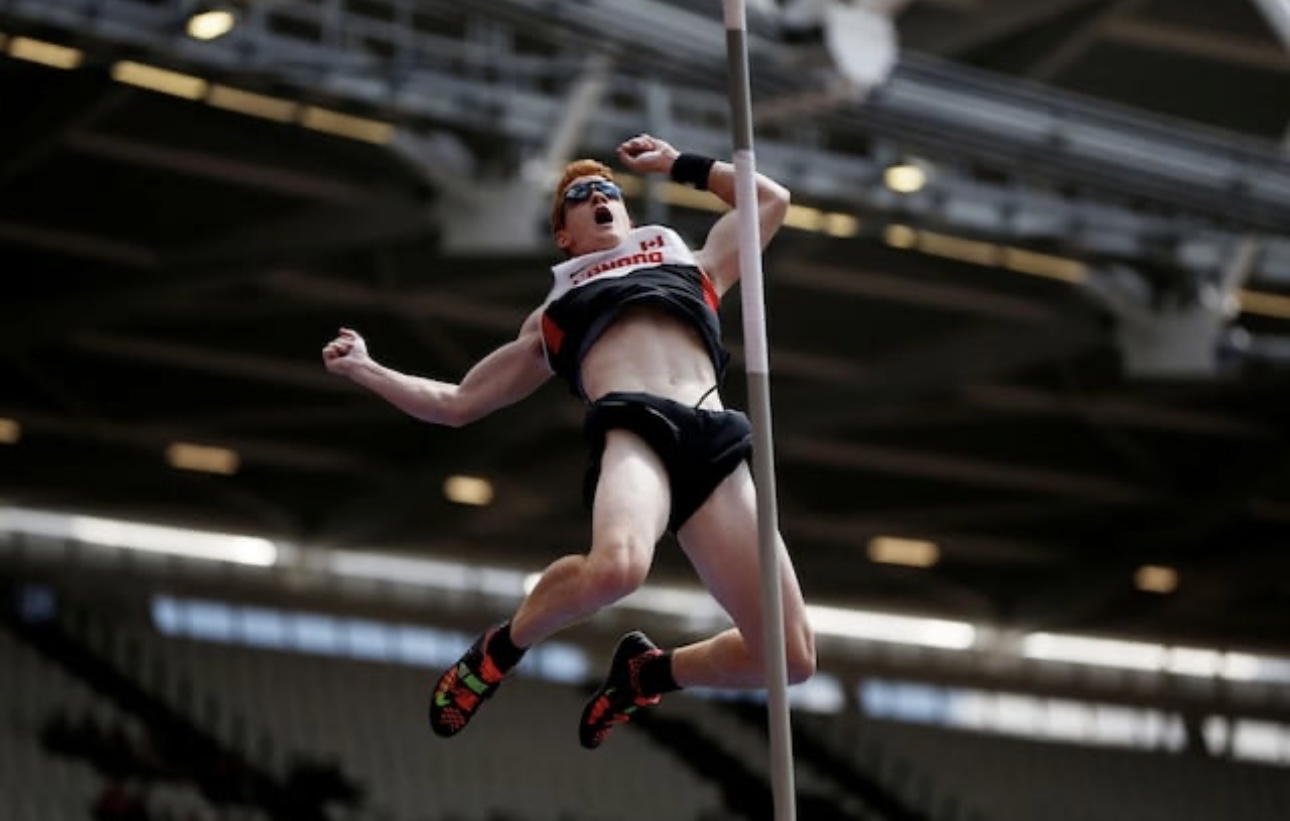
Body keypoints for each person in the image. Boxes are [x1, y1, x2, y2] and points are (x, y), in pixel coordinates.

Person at [322, 133, 816, 750]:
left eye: (610, 190)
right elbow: (457, 404)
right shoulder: (555, 311)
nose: (601, 196)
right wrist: (368, 368)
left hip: (714, 439)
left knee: (790, 659)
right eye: (584, 195)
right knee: (618, 568)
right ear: (565, 235)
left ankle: (647, 674)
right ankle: (500, 650)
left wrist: (675, 164)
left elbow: (769, 200)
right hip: (637, 430)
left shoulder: (691, 262)